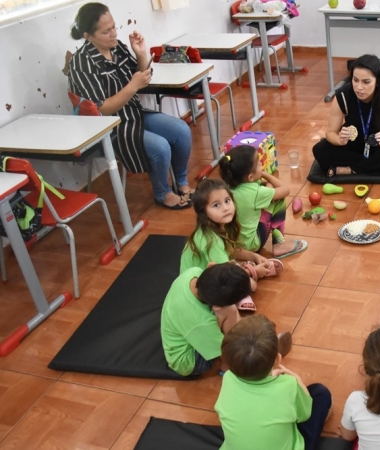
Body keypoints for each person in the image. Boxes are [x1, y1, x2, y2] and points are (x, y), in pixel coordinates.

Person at [68, 2, 194, 210]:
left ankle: (181, 182)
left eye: (114, 27)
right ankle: (162, 193)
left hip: (133, 114)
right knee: (160, 147)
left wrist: (141, 53)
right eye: (106, 31)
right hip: (111, 127)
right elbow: (102, 109)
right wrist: (133, 85)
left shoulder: (116, 47)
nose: (114, 34)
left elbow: (143, 76)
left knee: (181, 130)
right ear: (88, 35)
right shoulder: (82, 64)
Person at [215, 314, 332, 450]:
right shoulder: (288, 385)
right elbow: (305, 414)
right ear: (278, 359)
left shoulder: (228, 378)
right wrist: (295, 378)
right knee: (320, 393)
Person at [180, 178, 284, 311]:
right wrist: (254, 272)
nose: (225, 208)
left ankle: (249, 275)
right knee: (251, 285)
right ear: (203, 212)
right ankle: (244, 292)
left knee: (243, 272)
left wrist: (253, 257)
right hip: (197, 294)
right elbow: (225, 277)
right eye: (216, 205)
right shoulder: (212, 240)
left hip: (209, 275)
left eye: (227, 201)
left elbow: (231, 249)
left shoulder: (219, 225)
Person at [312, 54, 380, 177]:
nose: (359, 87)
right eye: (355, 80)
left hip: (379, 148)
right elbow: (330, 133)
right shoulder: (343, 95)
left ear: (377, 81)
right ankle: (372, 168)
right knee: (320, 150)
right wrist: (339, 140)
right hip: (351, 147)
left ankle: (350, 170)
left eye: (366, 82)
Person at [161, 263, 251, 376]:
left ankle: (238, 332)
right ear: (217, 307)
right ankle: (226, 367)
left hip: (184, 326)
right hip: (188, 362)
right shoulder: (202, 323)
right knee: (230, 310)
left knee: (231, 314)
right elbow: (224, 350)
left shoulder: (193, 272)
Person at [220, 146, 307, 259]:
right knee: (278, 199)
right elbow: (285, 190)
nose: (261, 164)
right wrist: (265, 175)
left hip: (233, 245)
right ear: (250, 177)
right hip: (251, 245)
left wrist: (264, 183)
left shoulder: (226, 187)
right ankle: (279, 244)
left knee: (268, 194)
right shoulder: (255, 193)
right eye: (259, 163)